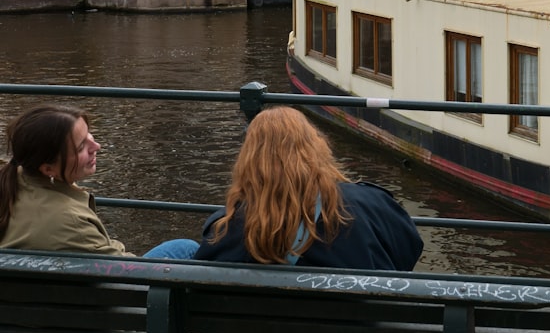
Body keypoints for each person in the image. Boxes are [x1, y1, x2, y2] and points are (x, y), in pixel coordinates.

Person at [194, 106, 423, 269]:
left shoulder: (227, 228)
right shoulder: (371, 205)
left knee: (178, 250)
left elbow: (205, 274)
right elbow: (407, 252)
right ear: (317, 147)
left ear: (248, 161)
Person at [0, 104, 196, 258]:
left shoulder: (12, 180)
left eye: (88, 135)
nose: (97, 146)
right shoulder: (71, 222)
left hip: (31, 298)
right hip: (94, 301)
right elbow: (120, 269)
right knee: (184, 249)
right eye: (81, 147)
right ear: (48, 168)